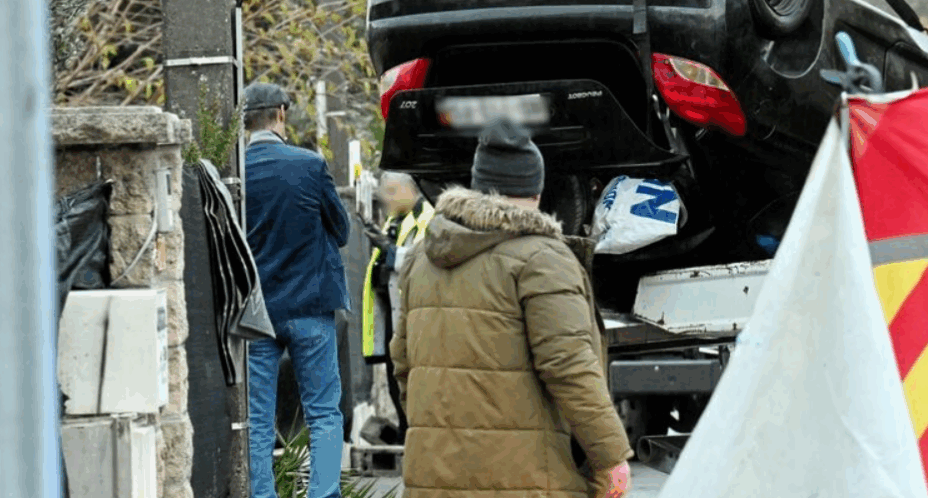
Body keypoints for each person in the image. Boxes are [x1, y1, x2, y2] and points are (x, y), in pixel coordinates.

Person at [390, 119, 634, 498]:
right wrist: (611, 457)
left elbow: (404, 366)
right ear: (535, 190)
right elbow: (569, 368)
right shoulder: (541, 259)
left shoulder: (422, 258)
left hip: (433, 478)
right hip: (524, 480)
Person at [242, 82, 351, 498]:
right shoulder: (309, 165)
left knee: (258, 418)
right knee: (323, 411)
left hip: (256, 314)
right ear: (281, 115)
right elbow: (340, 230)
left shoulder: (236, 173)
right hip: (310, 305)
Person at [360, 171, 434, 443]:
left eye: (392, 191)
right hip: (393, 311)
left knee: (411, 379)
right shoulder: (396, 220)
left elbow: (419, 260)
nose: (385, 197)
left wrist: (387, 249)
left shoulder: (428, 218)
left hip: (413, 315)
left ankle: (415, 436)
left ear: (411, 189)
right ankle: (405, 433)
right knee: (395, 376)